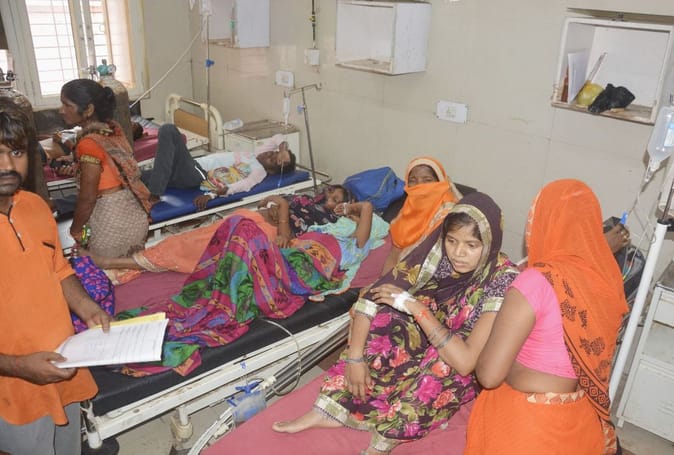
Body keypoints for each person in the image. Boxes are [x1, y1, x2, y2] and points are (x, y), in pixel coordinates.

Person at [272, 192, 519, 455]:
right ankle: (332, 409)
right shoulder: (436, 254)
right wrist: (355, 358)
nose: (458, 253)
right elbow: (373, 296)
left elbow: (466, 362)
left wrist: (416, 307)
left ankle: (389, 433)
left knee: (441, 361)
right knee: (387, 318)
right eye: (452, 240)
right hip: (430, 332)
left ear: (490, 242)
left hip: (459, 357)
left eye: (471, 245)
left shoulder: (502, 278)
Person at [464, 179, 628, 455]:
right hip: (580, 422)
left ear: (540, 222)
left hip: (530, 427)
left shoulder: (535, 281)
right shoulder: (607, 284)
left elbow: (489, 376)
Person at [0, 100, 111, 454]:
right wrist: (20, 367)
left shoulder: (35, 207)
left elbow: (59, 269)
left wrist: (87, 307)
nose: (7, 165)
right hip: (13, 390)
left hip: (63, 367)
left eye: (16, 152)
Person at [81, 184, 353, 283]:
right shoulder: (304, 198)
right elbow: (278, 203)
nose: (328, 197)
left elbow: (287, 235)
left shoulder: (326, 222)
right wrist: (279, 204)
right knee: (185, 240)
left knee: (193, 248)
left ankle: (112, 262)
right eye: (330, 192)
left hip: (261, 231)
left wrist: (280, 207)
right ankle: (132, 262)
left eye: (335, 200)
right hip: (252, 218)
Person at [59, 78, 152, 258]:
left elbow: (87, 198)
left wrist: (75, 230)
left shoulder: (88, 143)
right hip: (134, 215)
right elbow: (108, 166)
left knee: (106, 272)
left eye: (66, 105)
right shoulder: (111, 129)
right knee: (130, 270)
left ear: (88, 110)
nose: (61, 110)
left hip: (112, 223)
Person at [141, 124, 297, 209]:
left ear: (271, 170)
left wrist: (211, 195)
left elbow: (243, 186)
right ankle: (155, 184)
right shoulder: (255, 154)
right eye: (273, 152)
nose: (269, 154)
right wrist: (283, 149)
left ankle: (156, 191)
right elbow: (277, 137)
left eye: (272, 159)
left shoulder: (259, 171)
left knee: (168, 130)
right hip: (184, 171)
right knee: (137, 178)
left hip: (196, 173)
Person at [381, 156, 462, 275]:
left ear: (439, 181)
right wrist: (385, 278)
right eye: (413, 180)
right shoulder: (410, 205)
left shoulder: (449, 213)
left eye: (427, 180)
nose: (419, 186)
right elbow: (396, 247)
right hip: (397, 267)